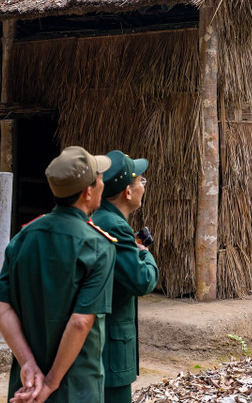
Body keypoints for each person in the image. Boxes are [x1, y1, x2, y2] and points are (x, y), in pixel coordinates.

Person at [0, 145, 116, 403]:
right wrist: (50, 382)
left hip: (26, 385)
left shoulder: (23, 237)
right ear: (88, 191)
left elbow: (2, 307)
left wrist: (28, 363)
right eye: (100, 179)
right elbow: (81, 321)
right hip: (76, 385)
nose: (103, 184)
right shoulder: (98, 246)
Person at [92, 150, 160, 403]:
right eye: (141, 181)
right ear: (127, 192)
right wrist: (144, 253)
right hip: (110, 349)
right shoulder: (114, 225)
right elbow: (142, 280)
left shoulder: (98, 217)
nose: (144, 186)